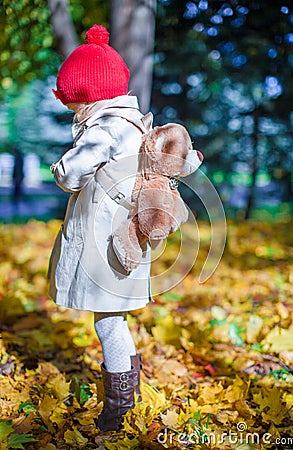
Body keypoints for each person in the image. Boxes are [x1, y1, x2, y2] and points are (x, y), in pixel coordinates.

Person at [48, 24, 151, 432]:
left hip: (107, 242)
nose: (73, 111)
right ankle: (130, 395)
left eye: (73, 102)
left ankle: (119, 406)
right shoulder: (133, 123)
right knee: (114, 319)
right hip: (124, 237)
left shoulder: (105, 128)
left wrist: (59, 166)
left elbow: (71, 174)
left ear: (87, 95)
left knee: (108, 321)